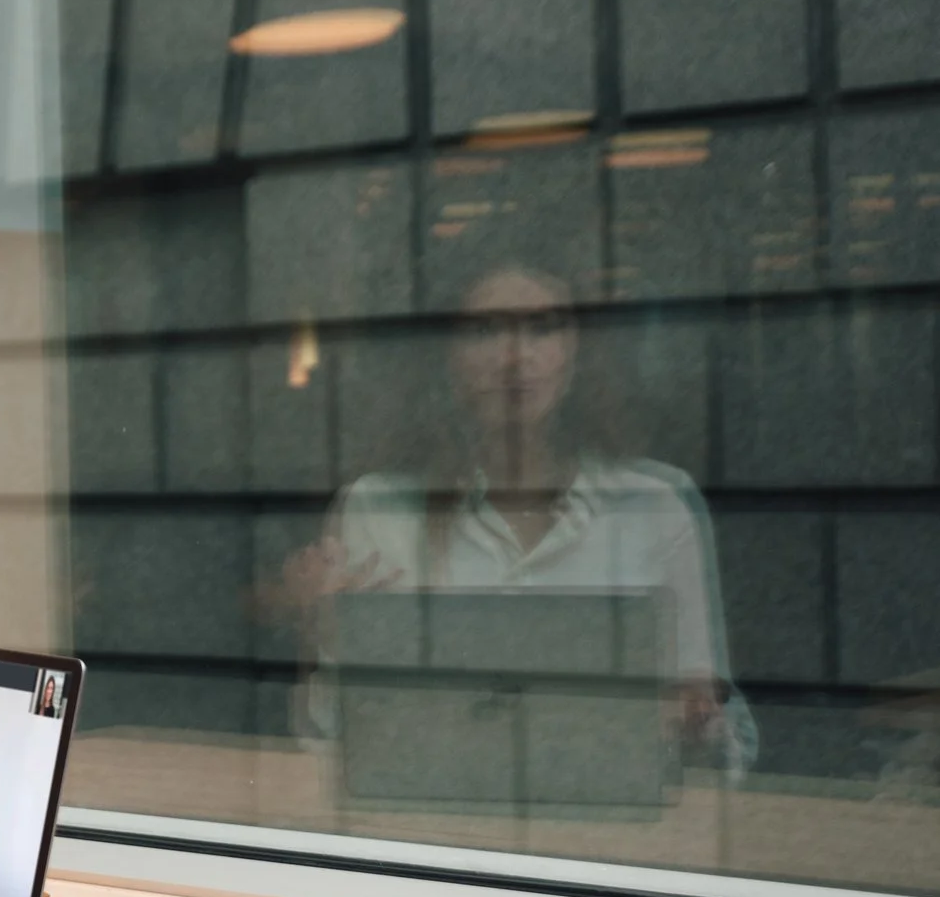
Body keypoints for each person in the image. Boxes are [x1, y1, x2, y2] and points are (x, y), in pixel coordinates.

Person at [280, 262, 752, 772]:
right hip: (426, 829)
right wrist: (319, 636)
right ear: (446, 356)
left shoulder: (651, 505)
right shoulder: (379, 510)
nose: (514, 358)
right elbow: (329, 745)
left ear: (577, 351)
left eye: (542, 327)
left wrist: (697, 718)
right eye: (484, 331)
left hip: (609, 831)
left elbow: (723, 753)